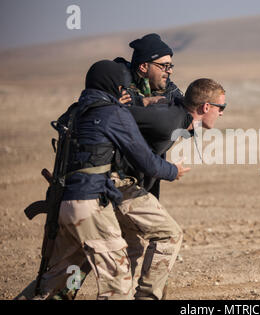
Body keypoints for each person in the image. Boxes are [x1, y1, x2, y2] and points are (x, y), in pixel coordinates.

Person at [50, 78, 226, 300]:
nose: (222, 114)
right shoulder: (168, 119)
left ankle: (55, 293)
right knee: (165, 235)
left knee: (120, 250)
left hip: (106, 186)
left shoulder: (176, 118)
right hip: (112, 185)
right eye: (222, 108)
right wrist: (170, 170)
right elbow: (118, 116)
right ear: (206, 107)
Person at [33, 60, 189, 300]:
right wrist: (172, 171)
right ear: (116, 87)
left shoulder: (76, 112)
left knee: (53, 284)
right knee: (118, 284)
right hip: (91, 204)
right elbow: (145, 160)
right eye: (122, 88)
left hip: (65, 203)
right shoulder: (113, 113)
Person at [114, 33, 183, 107]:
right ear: (143, 67)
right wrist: (141, 102)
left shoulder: (168, 88)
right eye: (164, 66)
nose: (170, 71)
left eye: (170, 66)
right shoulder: (119, 84)